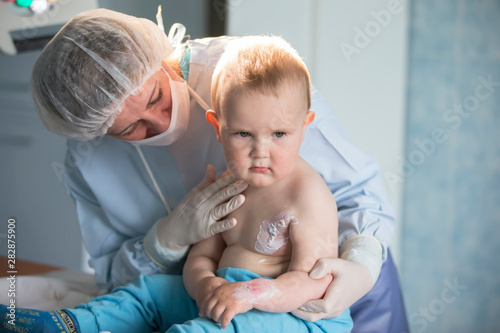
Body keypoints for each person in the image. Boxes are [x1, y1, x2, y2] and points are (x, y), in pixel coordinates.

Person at [26, 7, 407, 332]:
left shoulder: (251, 81)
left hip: (325, 294)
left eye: (156, 96)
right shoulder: (88, 155)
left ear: (157, 56)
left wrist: (361, 267)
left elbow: (358, 195)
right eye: (129, 129)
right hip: (203, 299)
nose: (156, 123)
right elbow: (114, 277)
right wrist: (165, 243)